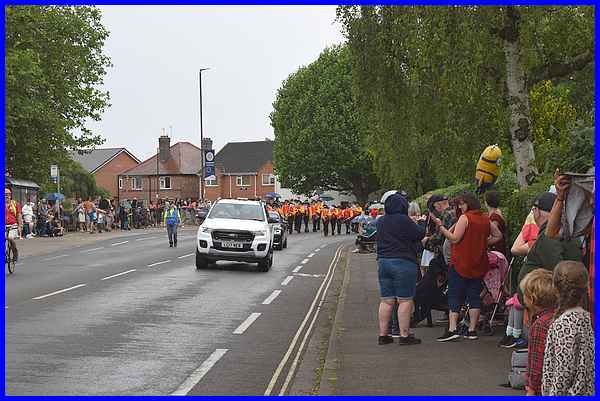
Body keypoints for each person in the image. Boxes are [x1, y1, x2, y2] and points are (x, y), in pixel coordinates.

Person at [433, 192, 502, 341]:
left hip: (460, 262)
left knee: (454, 295)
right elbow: (498, 236)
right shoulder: (484, 219)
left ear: (468, 204)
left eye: (462, 204)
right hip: (478, 263)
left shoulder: (465, 218)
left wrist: (441, 228)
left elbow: (455, 238)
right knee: (474, 296)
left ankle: (452, 329)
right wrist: (483, 242)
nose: (460, 207)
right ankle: (472, 330)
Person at [376, 193, 425, 346]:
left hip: (383, 262)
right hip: (403, 262)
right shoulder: (404, 220)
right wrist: (421, 223)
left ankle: (383, 335)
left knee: (386, 300)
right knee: (405, 300)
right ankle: (404, 335)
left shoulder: (381, 221)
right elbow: (419, 234)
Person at [517, 191, 582, 305]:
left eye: (533, 210)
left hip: (549, 306)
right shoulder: (564, 231)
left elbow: (559, 271)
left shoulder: (550, 234)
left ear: (536, 211)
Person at [541, 261, 594, 396]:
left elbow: (562, 373)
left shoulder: (563, 325)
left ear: (555, 288)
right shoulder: (589, 319)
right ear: (586, 286)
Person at [518, 269, 557, 396]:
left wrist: (531, 388)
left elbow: (537, 360)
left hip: (541, 388)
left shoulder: (540, 325)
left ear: (532, 299)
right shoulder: (556, 317)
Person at [484, 190, 507, 257]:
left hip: (496, 249)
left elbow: (493, 233)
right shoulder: (497, 212)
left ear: (486, 202)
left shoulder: (494, 217)